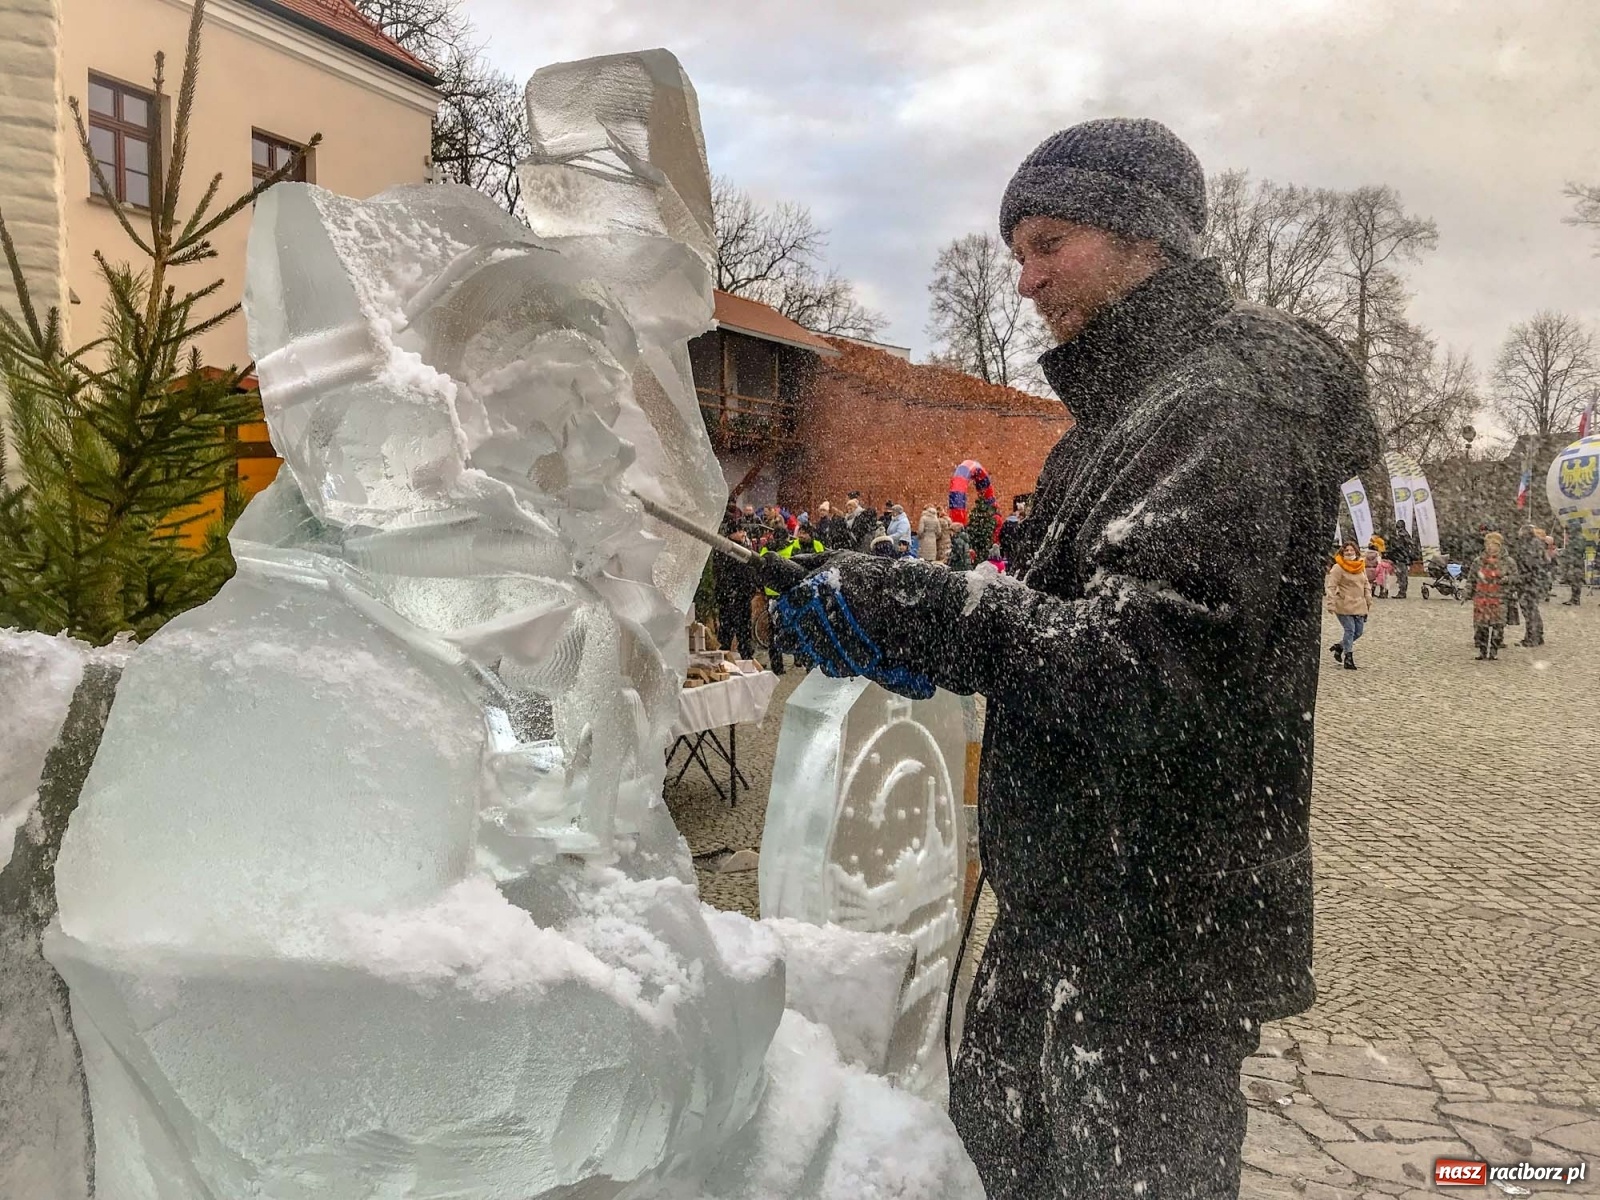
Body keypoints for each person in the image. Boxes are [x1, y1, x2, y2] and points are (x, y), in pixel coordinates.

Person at [769, 116, 1379, 1200]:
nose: (1025, 280)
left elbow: (1149, 668)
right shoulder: (1121, 413)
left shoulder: (1223, 406)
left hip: (1156, 939)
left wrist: (931, 613)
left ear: (1144, 237)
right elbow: (1042, 617)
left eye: (1049, 244)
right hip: (1071, 906)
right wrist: (898, 609)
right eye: (1017, 253)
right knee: (998, 1166)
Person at [1326, 540, 1372, 669]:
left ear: (1356, 551)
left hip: (1360, 604)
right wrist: (1331, 603)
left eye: (1351, 550)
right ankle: (1348, 658)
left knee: (1358, 632)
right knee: (1350, 630)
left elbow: (1366, 584)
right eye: (1346, 550)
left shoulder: (1360, 566)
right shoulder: (1338, 567)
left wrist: (1368, 599)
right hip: (1344, 603)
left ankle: (1340, 646)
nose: (1349, 552)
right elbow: (1331, 586)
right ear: (1342, 552)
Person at [714, 530, 757, 659]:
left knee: (743, 630)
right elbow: (722, 573)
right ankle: (727, 656)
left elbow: (749, 572)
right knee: (728, 630)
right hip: (731, 597)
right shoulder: (726, 550)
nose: (743, 533)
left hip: (741, 596)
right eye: (739, 531)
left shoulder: (744, 548)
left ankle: (746, 656)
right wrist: (730, 592)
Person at [1512, 524, 1548, 647]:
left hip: (1528, 582)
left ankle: (1532, 637)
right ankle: (1537, 636)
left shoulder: (1528, 546)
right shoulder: (1537, 544)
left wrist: (1520, 577)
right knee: (1533, 609)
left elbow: (1528, 565)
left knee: (1529, 610)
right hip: (1535, 581)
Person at [1559, 520, 1586, 606]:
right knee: (1574, 581)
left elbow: (1577, 549)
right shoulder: (1575, 538)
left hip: (1576, 562)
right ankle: (1574, 598)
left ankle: (1575, 599)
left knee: (1576, 581)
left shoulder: (1579, 538)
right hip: (1574, 561)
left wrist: (1567, 552)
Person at [1387, 520, 1416, 599]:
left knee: (1401, 575)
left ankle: (1402, 592)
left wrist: (1392, 550)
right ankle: (1402, 592)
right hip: (1404, 558)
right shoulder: (1407, 535)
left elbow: (1398, 547)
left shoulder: (1401, 535)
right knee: (1403, 575)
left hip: (1401, 558)